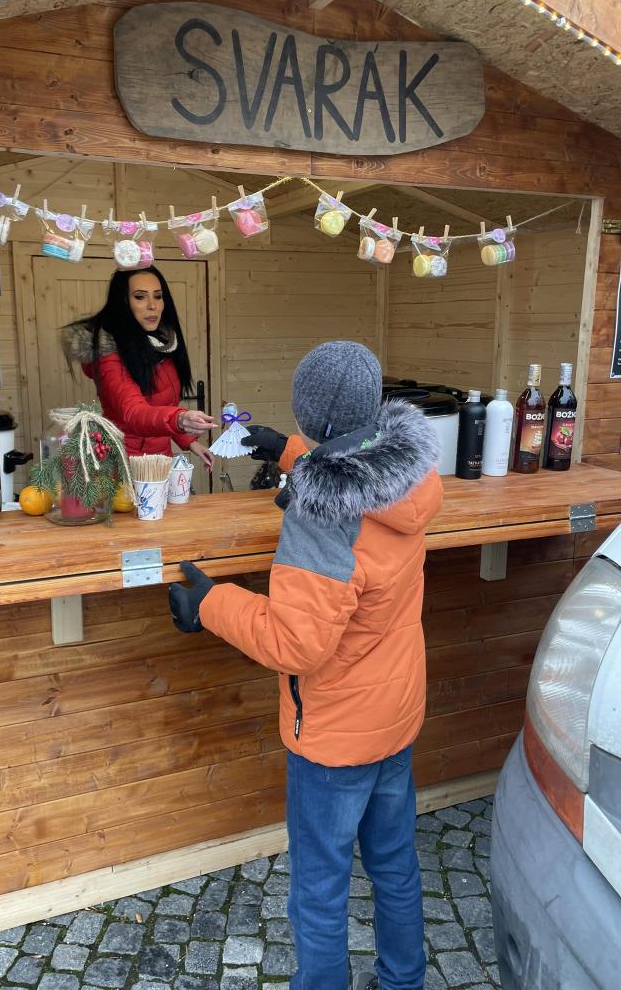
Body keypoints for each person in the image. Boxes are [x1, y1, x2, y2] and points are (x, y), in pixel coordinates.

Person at [169, 341, 444, 990]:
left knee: (320, 889)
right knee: (395, 868)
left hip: (333, 738)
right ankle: (404, 981)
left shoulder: (322, 518)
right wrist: (287, 451)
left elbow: (296, 645)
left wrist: (210, 603)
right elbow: (356, 466)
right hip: (394, 718)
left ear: (308, 412)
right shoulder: (411, 477)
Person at [62, 266, 215, 468]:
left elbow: (163, 407)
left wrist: (190, 442)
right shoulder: (110, 353)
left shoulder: (163, 343)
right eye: (140, 297)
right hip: (124, 464)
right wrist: (179, 419)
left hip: (159, 461)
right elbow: (133, 413)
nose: (153, 305)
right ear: (124, 302)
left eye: (158, 296)